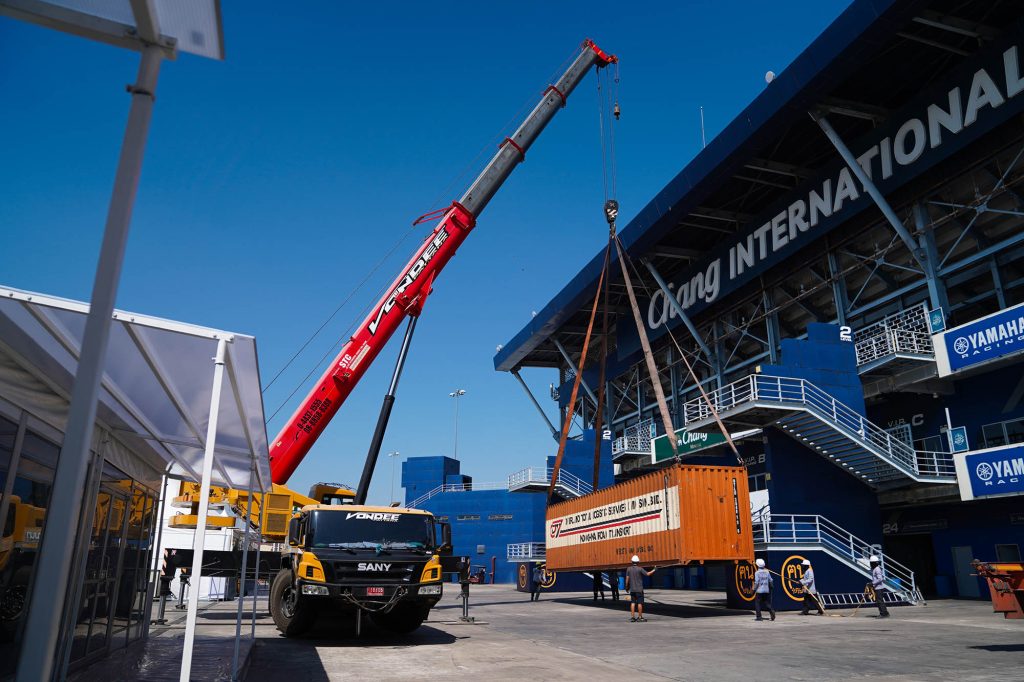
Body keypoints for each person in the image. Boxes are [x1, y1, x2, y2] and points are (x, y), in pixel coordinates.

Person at [625, 555, 656, 622]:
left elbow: (627, 579)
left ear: (632, 561)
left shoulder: (628, 569)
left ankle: (632, 617)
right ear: (638, 562)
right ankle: (640, 617)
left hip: (632, 589)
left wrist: (627, 587)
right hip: (639, 590)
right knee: (639, 603)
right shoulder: (640, 569)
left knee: (633, 603)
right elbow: (647, 574)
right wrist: (654, 570)